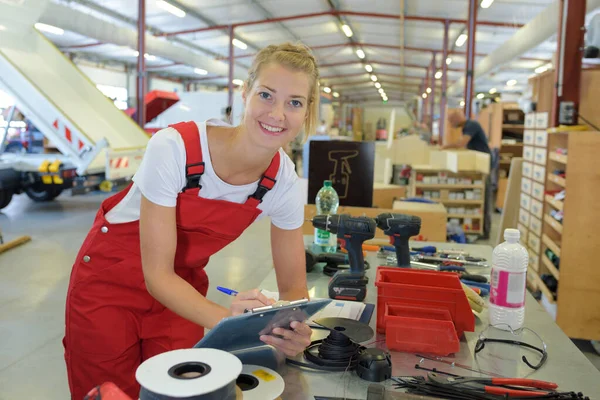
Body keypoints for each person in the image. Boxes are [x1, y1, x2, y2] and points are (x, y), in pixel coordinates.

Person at [63, 42, 320, 399]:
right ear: (244, 94)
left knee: (181, 392)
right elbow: (156, 274)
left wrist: (291, 328)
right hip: (108, 288)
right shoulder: (175, 148)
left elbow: (294, 289)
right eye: (266, 95)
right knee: (109, 391)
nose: (277, 113)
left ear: (307, 112)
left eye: (294, 102)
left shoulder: (283, 183)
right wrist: (233, 323)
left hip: (180, 293)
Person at [443, 110, 492, 239]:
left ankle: (485, 231)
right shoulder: (466, 127)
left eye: (451, 120)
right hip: (478, 165)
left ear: (457, 118)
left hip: (484, 165)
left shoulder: (471, 125)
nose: (450, 124)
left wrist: (445, 147)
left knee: (485, 197)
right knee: (481, 196)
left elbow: (461, 144)